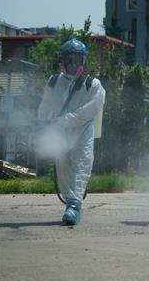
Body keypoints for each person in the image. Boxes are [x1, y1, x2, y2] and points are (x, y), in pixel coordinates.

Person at [36, 38, 106, 225]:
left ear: (83, 61)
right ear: (62, 60)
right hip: (60, 134)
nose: (72, 63)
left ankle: (74, 206)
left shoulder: (92, 84)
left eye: (77, 59)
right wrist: (44, 123)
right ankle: (70, 202)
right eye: (69, 58)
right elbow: (44, 108)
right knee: (63, 171)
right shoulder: (53, 82)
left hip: (82, 132)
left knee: (81, 166)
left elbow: (90, 110)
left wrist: (65, 121)